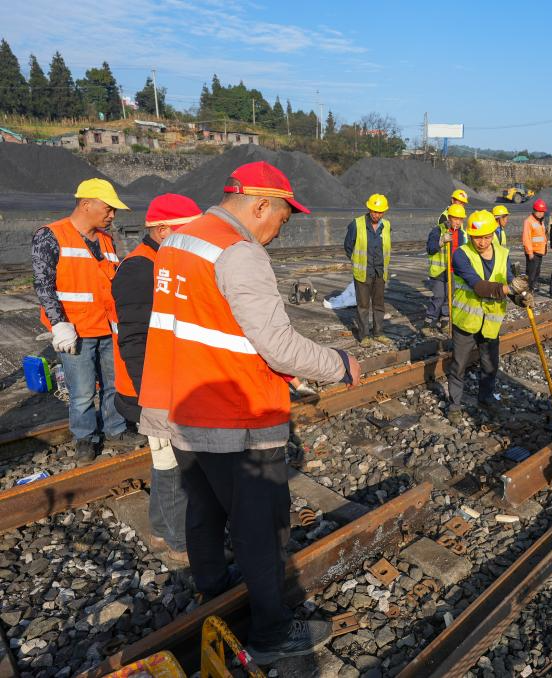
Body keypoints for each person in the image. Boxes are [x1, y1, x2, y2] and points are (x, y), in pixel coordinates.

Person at [138, 161, 362, 665]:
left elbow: (206, 324)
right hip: (233, 416)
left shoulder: (179, 240)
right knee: (260, 527)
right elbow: (278, 345)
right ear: (260, 204)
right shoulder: (239, 252)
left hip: (181, 405)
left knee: (204, 510)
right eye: (282, 218)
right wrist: (340, 364)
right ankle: (271, 631)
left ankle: (214, 593)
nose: (279, 231)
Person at [111, 194, 202, 564]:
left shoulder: (161, 261)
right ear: (162, 230)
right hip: (149, 387)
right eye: (187, 231)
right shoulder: (139, 269)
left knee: (164, 460)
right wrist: (150, 398)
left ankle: (162, 530)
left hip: (160, 382)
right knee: (174, 465)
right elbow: (135, 340)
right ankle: (182, 544)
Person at [32, 178, 146, 464]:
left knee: (113, 384)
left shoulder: (106, 239)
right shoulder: (51, 235)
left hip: (108, 327)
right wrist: (58, 324)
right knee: (82, 391)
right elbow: (43, 283)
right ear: (86, 204)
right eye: (108, 209)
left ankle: (116, 430)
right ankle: (85, 438)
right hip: (75, 329)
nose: (112, 215)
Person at [446, 210, 530, 425]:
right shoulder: (461, 254)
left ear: (493, 233)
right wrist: (509, 288)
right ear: (470, 235)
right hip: (466, 320)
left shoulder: (502, 253)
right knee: (459, 365)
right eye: (477, 237)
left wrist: (522, 298)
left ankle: (485, 398)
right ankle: (455, 406)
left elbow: (510, 282)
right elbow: (478, 286)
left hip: (490, 322)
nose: (482, 242)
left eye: (486, 236)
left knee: (490, 364)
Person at [344, 193, 392, 346]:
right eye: (374, 211)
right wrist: (356, 261)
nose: (376, 215)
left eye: (380, 212)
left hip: (380, 271)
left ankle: (378, 332)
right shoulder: (356, 224)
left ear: (384, 212)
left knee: (379, 305)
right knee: (363, 306)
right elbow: (348, 247)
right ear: (369, 209)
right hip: (363, 272)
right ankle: (364, 335)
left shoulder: (387, 226)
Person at [423, 203, 466, 337]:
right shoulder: (438, 231)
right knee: (439, 297)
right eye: (455, 218)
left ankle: (445, 323)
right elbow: (430, 248)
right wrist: (441, 242)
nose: (458, 222)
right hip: (439, 271)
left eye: (460, 219)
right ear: (449, 218)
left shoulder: (462, 234)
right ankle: (428, 324)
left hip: (454, 272)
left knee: (449, 298)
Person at [521, 198, 548, 291]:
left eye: (542, 211)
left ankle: (533, 287)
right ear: (534, 210)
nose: (540, 213)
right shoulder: (528, 221)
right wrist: (530, 252)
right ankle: (528, 290)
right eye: (538, 211)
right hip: (533, 252)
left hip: (539, 251)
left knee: (537, 272)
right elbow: (526, 238)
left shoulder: (540, 221)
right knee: (531, 273)